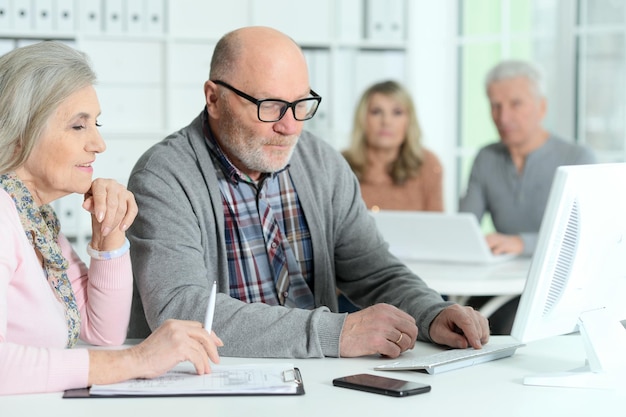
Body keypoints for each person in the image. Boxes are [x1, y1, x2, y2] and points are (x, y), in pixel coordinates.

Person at [127, 26, 489, 359]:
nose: (290, 126)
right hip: (217, 381)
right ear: (214, 98)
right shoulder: (163, 175)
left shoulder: (321, 163)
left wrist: (432, 311)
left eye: (301, 104)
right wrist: (334, 333)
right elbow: (180, 308)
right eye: (269, 106)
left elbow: (372, 271)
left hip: (318, 380)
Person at [0, 41, 222, 396]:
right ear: (19, 132)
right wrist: (138, 360)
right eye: (78, 126)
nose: (99, 144)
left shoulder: (34, 219)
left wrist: (109, 234)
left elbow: (102, 331)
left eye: (96, 124)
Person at [459, 59, 596, 334]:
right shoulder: (486, 157)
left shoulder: (577, 158)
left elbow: (586, 237)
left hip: (558, 285)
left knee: (502, 327)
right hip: (502, 280)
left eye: (515, 104)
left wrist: (521, 242)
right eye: (495, 105)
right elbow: (465, 227)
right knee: (458, 324)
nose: (503, 116)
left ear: (541, 107)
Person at [342, 80, 443, 212]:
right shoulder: (340, 164)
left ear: (409, 120)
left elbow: (437, 225)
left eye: (397, 113)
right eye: (376, 112)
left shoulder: (426, 163)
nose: (386, 121)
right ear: (363, 119)